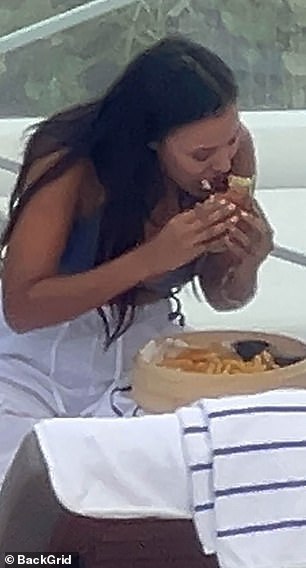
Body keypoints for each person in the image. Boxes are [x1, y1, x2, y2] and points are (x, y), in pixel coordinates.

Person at [0, 36, 273, 484]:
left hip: (146, 343)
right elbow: (23, 307)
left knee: (195, 463)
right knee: (31, 476)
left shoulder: (232, 154)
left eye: (232, 138)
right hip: (42, 348)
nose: (223, 162)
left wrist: (247, 263)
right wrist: (153, 258)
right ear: (150, 142)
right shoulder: (74, 163)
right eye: (201, 155)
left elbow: (222, 296)